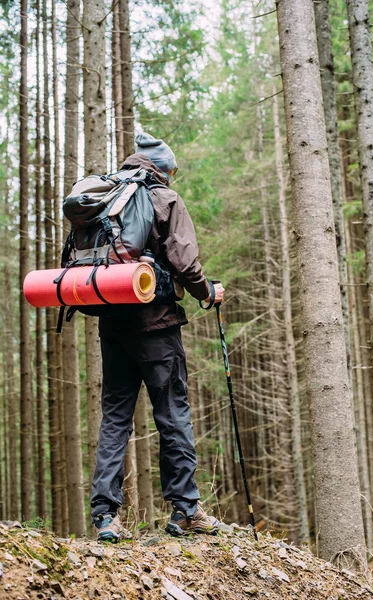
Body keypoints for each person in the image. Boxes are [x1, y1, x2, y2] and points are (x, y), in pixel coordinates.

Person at [91, 132, 225, 542]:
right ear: (163, 168)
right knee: (172, 413)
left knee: (115, 417)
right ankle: (185, 509)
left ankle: (104, 516)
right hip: (158, 326)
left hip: (112, 323)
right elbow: (185, 262)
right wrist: (208, 293)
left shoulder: (108, 196)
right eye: (173, 170)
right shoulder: (164, 200)